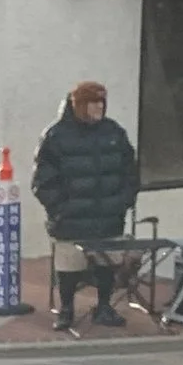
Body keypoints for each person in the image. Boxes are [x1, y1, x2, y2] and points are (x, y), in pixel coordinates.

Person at [31, 77, 140, 334]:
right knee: (69, 266)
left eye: (102, 103)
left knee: (108, 264)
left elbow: (130, 172)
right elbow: (42, 181)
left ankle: (104, 307)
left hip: (108, 215)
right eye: (93, 104)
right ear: (79, 105)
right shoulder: (55, 136)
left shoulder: (114, 132)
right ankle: (66, 309)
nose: (99, 109)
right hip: (71, 219)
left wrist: (124, 201)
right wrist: (60, 208)